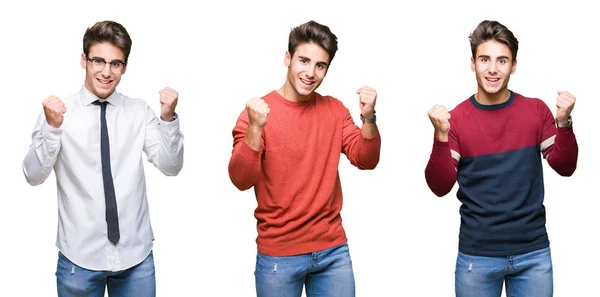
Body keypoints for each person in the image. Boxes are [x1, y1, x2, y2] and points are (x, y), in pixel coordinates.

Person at [22, 20, 184, 297]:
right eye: (98, 61)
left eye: (116, 64)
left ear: (124, 67)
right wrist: (51, 128)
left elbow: (171, 167)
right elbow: (33, 175)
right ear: (84, 60)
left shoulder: (138, 111)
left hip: (136, 258)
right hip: (79, 259)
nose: (106, 72)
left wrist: (168, 119)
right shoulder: (59, 113)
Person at [228, 20, 381, 297]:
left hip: (333, 251)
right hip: (279, 254)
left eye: (320, 65)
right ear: (287, 59)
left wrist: (368, 116)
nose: (310, 73)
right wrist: (254, 128)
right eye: (303, 61)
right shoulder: (257, 113)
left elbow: (365, 159)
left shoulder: (334, 110)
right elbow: (240, 179)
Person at [425, 20, 578, 297]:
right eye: (485, 59)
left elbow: (564, 166)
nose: (493, 69)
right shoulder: (456, 119)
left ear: (514, 65)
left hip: (533, 254)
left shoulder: (535, 110)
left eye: (502, 60)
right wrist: (441, 137)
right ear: (473, 63)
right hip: (477, 257)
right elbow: (440, 186)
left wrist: (564, 122)